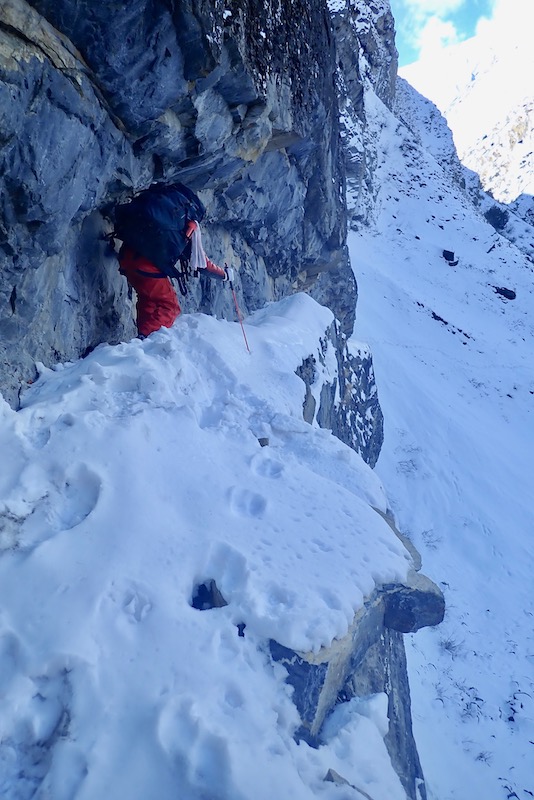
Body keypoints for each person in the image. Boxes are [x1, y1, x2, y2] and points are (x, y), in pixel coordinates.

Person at [117, 220, 232, 338]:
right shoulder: (188, 227)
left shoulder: (163, 217)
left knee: (148, 299)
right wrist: (225, 275)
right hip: (146, 266)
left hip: (126, 257)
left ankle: (142, 338)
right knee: (169, 305)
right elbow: (203, 265)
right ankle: (148, 339)